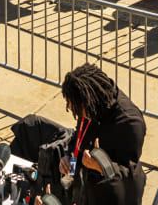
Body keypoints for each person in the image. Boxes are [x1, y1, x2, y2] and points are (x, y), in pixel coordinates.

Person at [57, 64, 146, 205]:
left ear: (90, 100)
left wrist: (102, 166)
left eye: (76, 108)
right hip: (89, 188)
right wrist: (69, 156)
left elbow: (129, 172)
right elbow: (79, 135)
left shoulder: (130, 122)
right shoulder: (90, 105)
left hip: (115, 195)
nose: (75, 112)